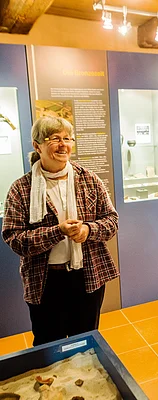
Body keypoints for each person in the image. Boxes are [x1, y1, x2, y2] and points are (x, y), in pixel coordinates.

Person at [2, 116, 119, 346]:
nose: (63, 144)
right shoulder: (21, 188)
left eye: (67, 138)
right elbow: (14, 239)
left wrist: (88, 229)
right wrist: (57, 232)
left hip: (87, 275)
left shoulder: (89, 179)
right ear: (37, 145)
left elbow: (112, 221)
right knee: (48, 343)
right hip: (45, 281)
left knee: (85, 341)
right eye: (54, 139)